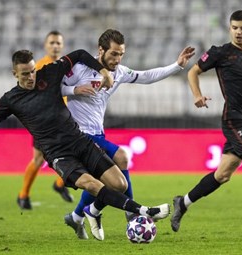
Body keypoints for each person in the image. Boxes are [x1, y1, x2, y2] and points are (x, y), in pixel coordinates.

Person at [0, 49, 170, 240]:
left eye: (32, 71)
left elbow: (78, 54)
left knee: (118, 183)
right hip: (57, 154)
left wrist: (103, 71)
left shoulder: (48, 74)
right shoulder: (11, 100)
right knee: (92, 184)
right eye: (25, 74)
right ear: (15, 74)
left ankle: (86, 214)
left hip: (80, 140)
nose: (31, 76)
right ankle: (143, 211)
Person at [61, 29, 195, 240]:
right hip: (78, 135)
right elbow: (54, 88)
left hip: (98, 134)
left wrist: (177, 65)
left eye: (121, 54)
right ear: (101, 50)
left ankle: (77, 216)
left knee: (103, 180)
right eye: (113, 53)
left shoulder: (119, 72)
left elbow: (146, 76)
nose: (117, 59)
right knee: (121, 158)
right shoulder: (80, 69)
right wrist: (74, 90)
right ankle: (132, 213)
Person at [171, 10, 242, 235]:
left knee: (223, 174)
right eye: (235, 28)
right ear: (229, 29)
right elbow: (193, 72)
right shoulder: (220, 53)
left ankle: (183, 202)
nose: (238, 32)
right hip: (234, 118)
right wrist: (197, 95)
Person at [17, 30, 73, 210]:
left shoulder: (67, 66)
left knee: (75, 153)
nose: (55, 46)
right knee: (39, 159)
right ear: (46, 45)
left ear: (62, 46)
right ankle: (23, 195)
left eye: (58, 43)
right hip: (44, 121)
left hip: (63, 119)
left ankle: (59, 183)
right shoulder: (39, 67)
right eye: (52, 43)